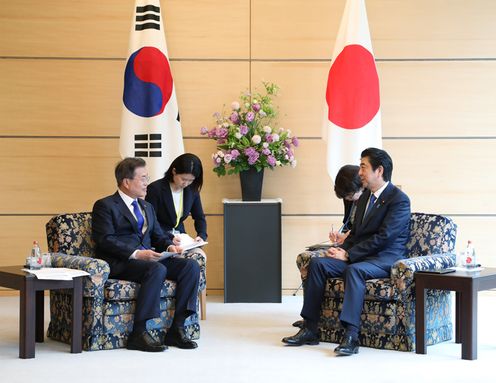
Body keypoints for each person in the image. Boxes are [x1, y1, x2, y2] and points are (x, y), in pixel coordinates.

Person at [282, 148, 411, 356]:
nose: (359, 172)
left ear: (379, 171)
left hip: (385, 258)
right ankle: (310, 328)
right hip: (363, 256)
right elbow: (356, 233)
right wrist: (340, 249)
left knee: (355, 271)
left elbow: (383, 238)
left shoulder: (399, 200)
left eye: (363, 166)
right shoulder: (365, 197)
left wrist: (349, 255)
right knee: (318, 264)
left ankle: (351, 335)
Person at [92, 157, 201, 352]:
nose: (147, 183)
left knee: (190, 266)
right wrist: (136, 254)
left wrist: (169, 247)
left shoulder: (146, 206)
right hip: (122, 262)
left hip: (149, 260)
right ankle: (139, 332)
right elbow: (105, 239)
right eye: (143, 178)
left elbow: (158, 236)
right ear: (127, 182)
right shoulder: (105, 205)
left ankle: (177, 328)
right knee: (156, 268)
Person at [292, 164, 363, 329]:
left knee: (324, 263)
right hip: (347, 246)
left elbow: (368, 232)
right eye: (346, 197)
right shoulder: (349, 198)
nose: (350, 199)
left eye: (351, 195)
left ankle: (344, 328)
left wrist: (348, 242)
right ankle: (311, 322)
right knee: (313, 261)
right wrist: (341, 238)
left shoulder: (371, 199)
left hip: (359, 253)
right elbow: (348, 225)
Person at [145, 153, 207, 258]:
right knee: (183, 259)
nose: (186, 183)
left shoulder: (192, 190)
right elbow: (151, 221)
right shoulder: (156, 189)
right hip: (160, 238)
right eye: (183, 179)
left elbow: (199, 217)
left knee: (199, 255)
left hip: (182, 240)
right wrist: (169, 237)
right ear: (174, 171)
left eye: (191, 180)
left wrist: (201, 235)